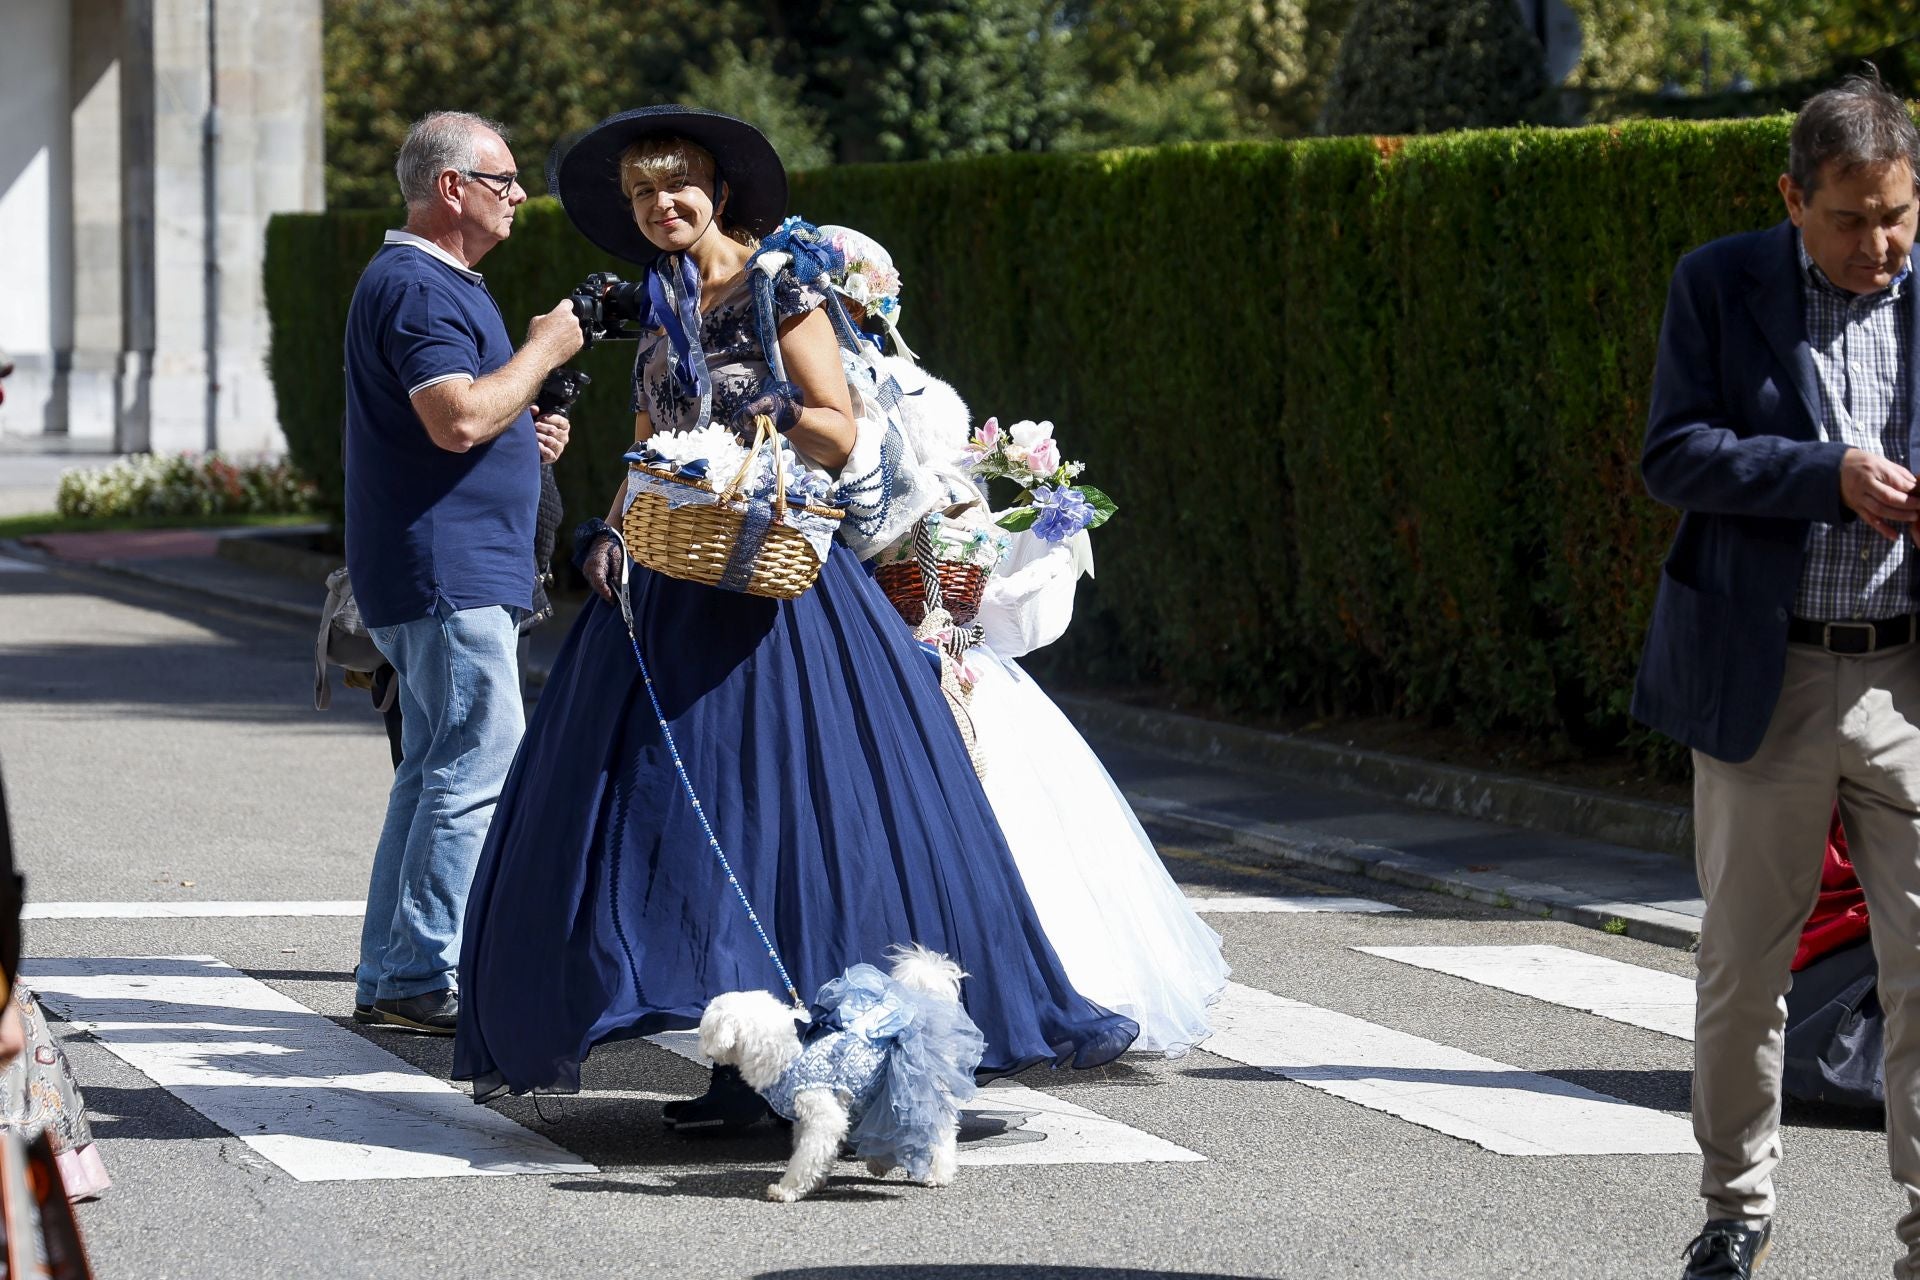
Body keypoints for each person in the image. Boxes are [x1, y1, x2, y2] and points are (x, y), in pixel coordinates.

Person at [452, 106, 1136, 1129]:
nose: (660, 205)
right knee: (688, 824)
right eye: (641, 193)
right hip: (677, 588)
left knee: (796, 819)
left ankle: (827, 1051)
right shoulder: (661, 296)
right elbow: (647, 439)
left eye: (677, 184)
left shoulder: (783, 286)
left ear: (719, 190)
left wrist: (768, 405)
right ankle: (741, 1065)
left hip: (781, 602)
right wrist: (609, 528)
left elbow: (839, 427)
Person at [1633, 71, 1920, 1279]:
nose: (1881, 243)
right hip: (1773, 674)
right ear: (1793, 199)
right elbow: (1675, 454)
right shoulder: (1720, 282)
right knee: (1745, 963)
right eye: (1852, 218)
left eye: (1901, 212)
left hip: (1907, 678)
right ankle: (1735, 1208)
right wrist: (1827, 474)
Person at [818, 225, 1230, 1055]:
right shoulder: (871, 382)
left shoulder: (874, 390)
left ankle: (994, 987)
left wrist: (1012, 530)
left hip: (921, 629)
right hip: (924, 623)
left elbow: (944, 527)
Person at [343, 111, 584, 1035]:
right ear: (452, 188)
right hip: (449, 569)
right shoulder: (419, 286)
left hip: (442, 563)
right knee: (473, 762)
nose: (520, 195)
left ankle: (397, 970)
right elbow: (455, 419)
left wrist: (529, 425)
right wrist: (546, 351)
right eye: (505, 179)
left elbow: (473, 418)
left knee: (439, 765)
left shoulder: (426, 281)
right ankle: (417, 972)